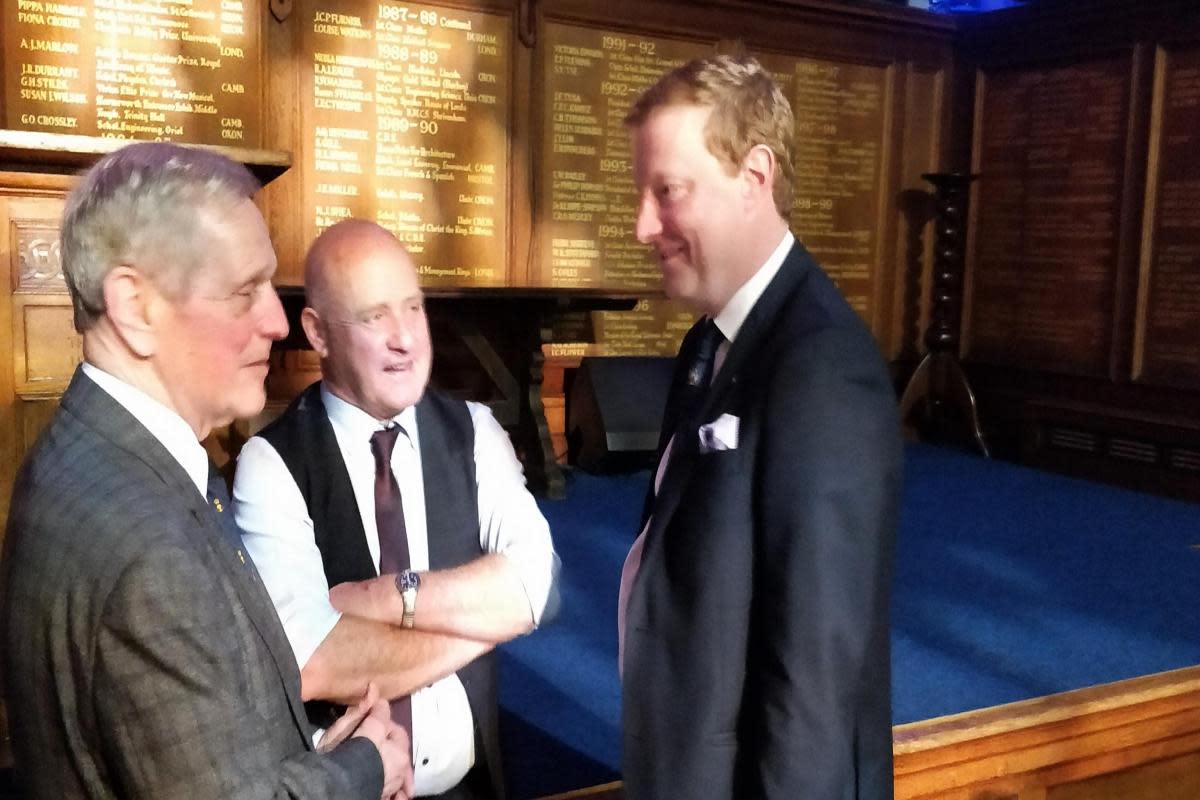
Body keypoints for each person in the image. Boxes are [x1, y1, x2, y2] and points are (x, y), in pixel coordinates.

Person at [0, 142, 412, 799]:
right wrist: (364, 764)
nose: (279, 322)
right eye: (243, 291)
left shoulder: (89, 452)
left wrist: (311, 752)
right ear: (135, 307)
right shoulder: (148, 550)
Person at [617, 55, 903, 799]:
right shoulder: (707, 344)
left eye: (668, 193)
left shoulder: (821, 371)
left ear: (755, 176)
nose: (643, 224)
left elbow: (810, 685)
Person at [232, 218, 559, 800]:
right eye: (373, 315)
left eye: (413, 308)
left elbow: (540, 581)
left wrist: (385, 599)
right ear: (318, 332)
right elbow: (311, 660)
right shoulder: (272, 462)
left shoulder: (475, 432)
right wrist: (489, 625)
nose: (405, 338)